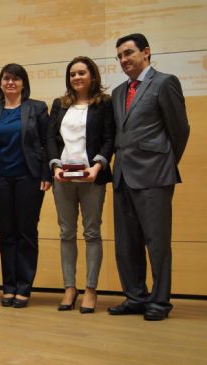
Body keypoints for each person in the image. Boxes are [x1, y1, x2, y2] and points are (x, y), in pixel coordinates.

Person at [108, 33, 190, 321]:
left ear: (146, 52)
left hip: (154, 175)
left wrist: (163, 164)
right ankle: (135, 297)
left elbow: (179, 130)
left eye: (128, 53)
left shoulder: (165, 82)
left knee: (157, 242)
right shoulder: (118, 92)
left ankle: (159, 301)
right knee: (126, 244)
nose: (124, 60)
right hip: (122, 177)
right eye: (119, 56)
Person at [0, 64, 51, 308]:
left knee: (26, 233)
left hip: (28, 178)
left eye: (16, 79)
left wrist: (47, 174)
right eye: (6, 78)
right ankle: (8, 287)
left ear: (23, 83)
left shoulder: (37, 108)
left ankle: (24, 288)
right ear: (0, 83)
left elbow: (46, 141)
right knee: (6, 234)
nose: (10, 82)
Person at [47, 56, 115, 313]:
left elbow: (110, 139)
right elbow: (50, 138)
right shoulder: (60, 104)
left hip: (91, 177)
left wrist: (97, 167)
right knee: (66, 233)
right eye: (72, 74)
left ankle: (90, 288)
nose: (76, 77)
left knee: (92, 233)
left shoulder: (104, 104)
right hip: (63, 178)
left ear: (92, 76)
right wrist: (55, 166)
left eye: (81, 73)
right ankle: (69, 288)